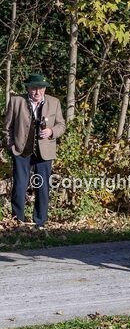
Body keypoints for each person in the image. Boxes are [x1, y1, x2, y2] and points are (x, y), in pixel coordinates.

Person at [4, 73, 66, 228]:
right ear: (28, 88)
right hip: (21, 150)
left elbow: (61, 125)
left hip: (44, 152)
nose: (37, 92)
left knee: (43, 186)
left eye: (40, 89)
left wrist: (52, 131)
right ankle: (17, 220)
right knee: (19, 185)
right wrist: (11, 146)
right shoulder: (16, 101)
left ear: (45, 89)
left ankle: (40, 222)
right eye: (33, 88)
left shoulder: (54, 102)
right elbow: (7, 128)